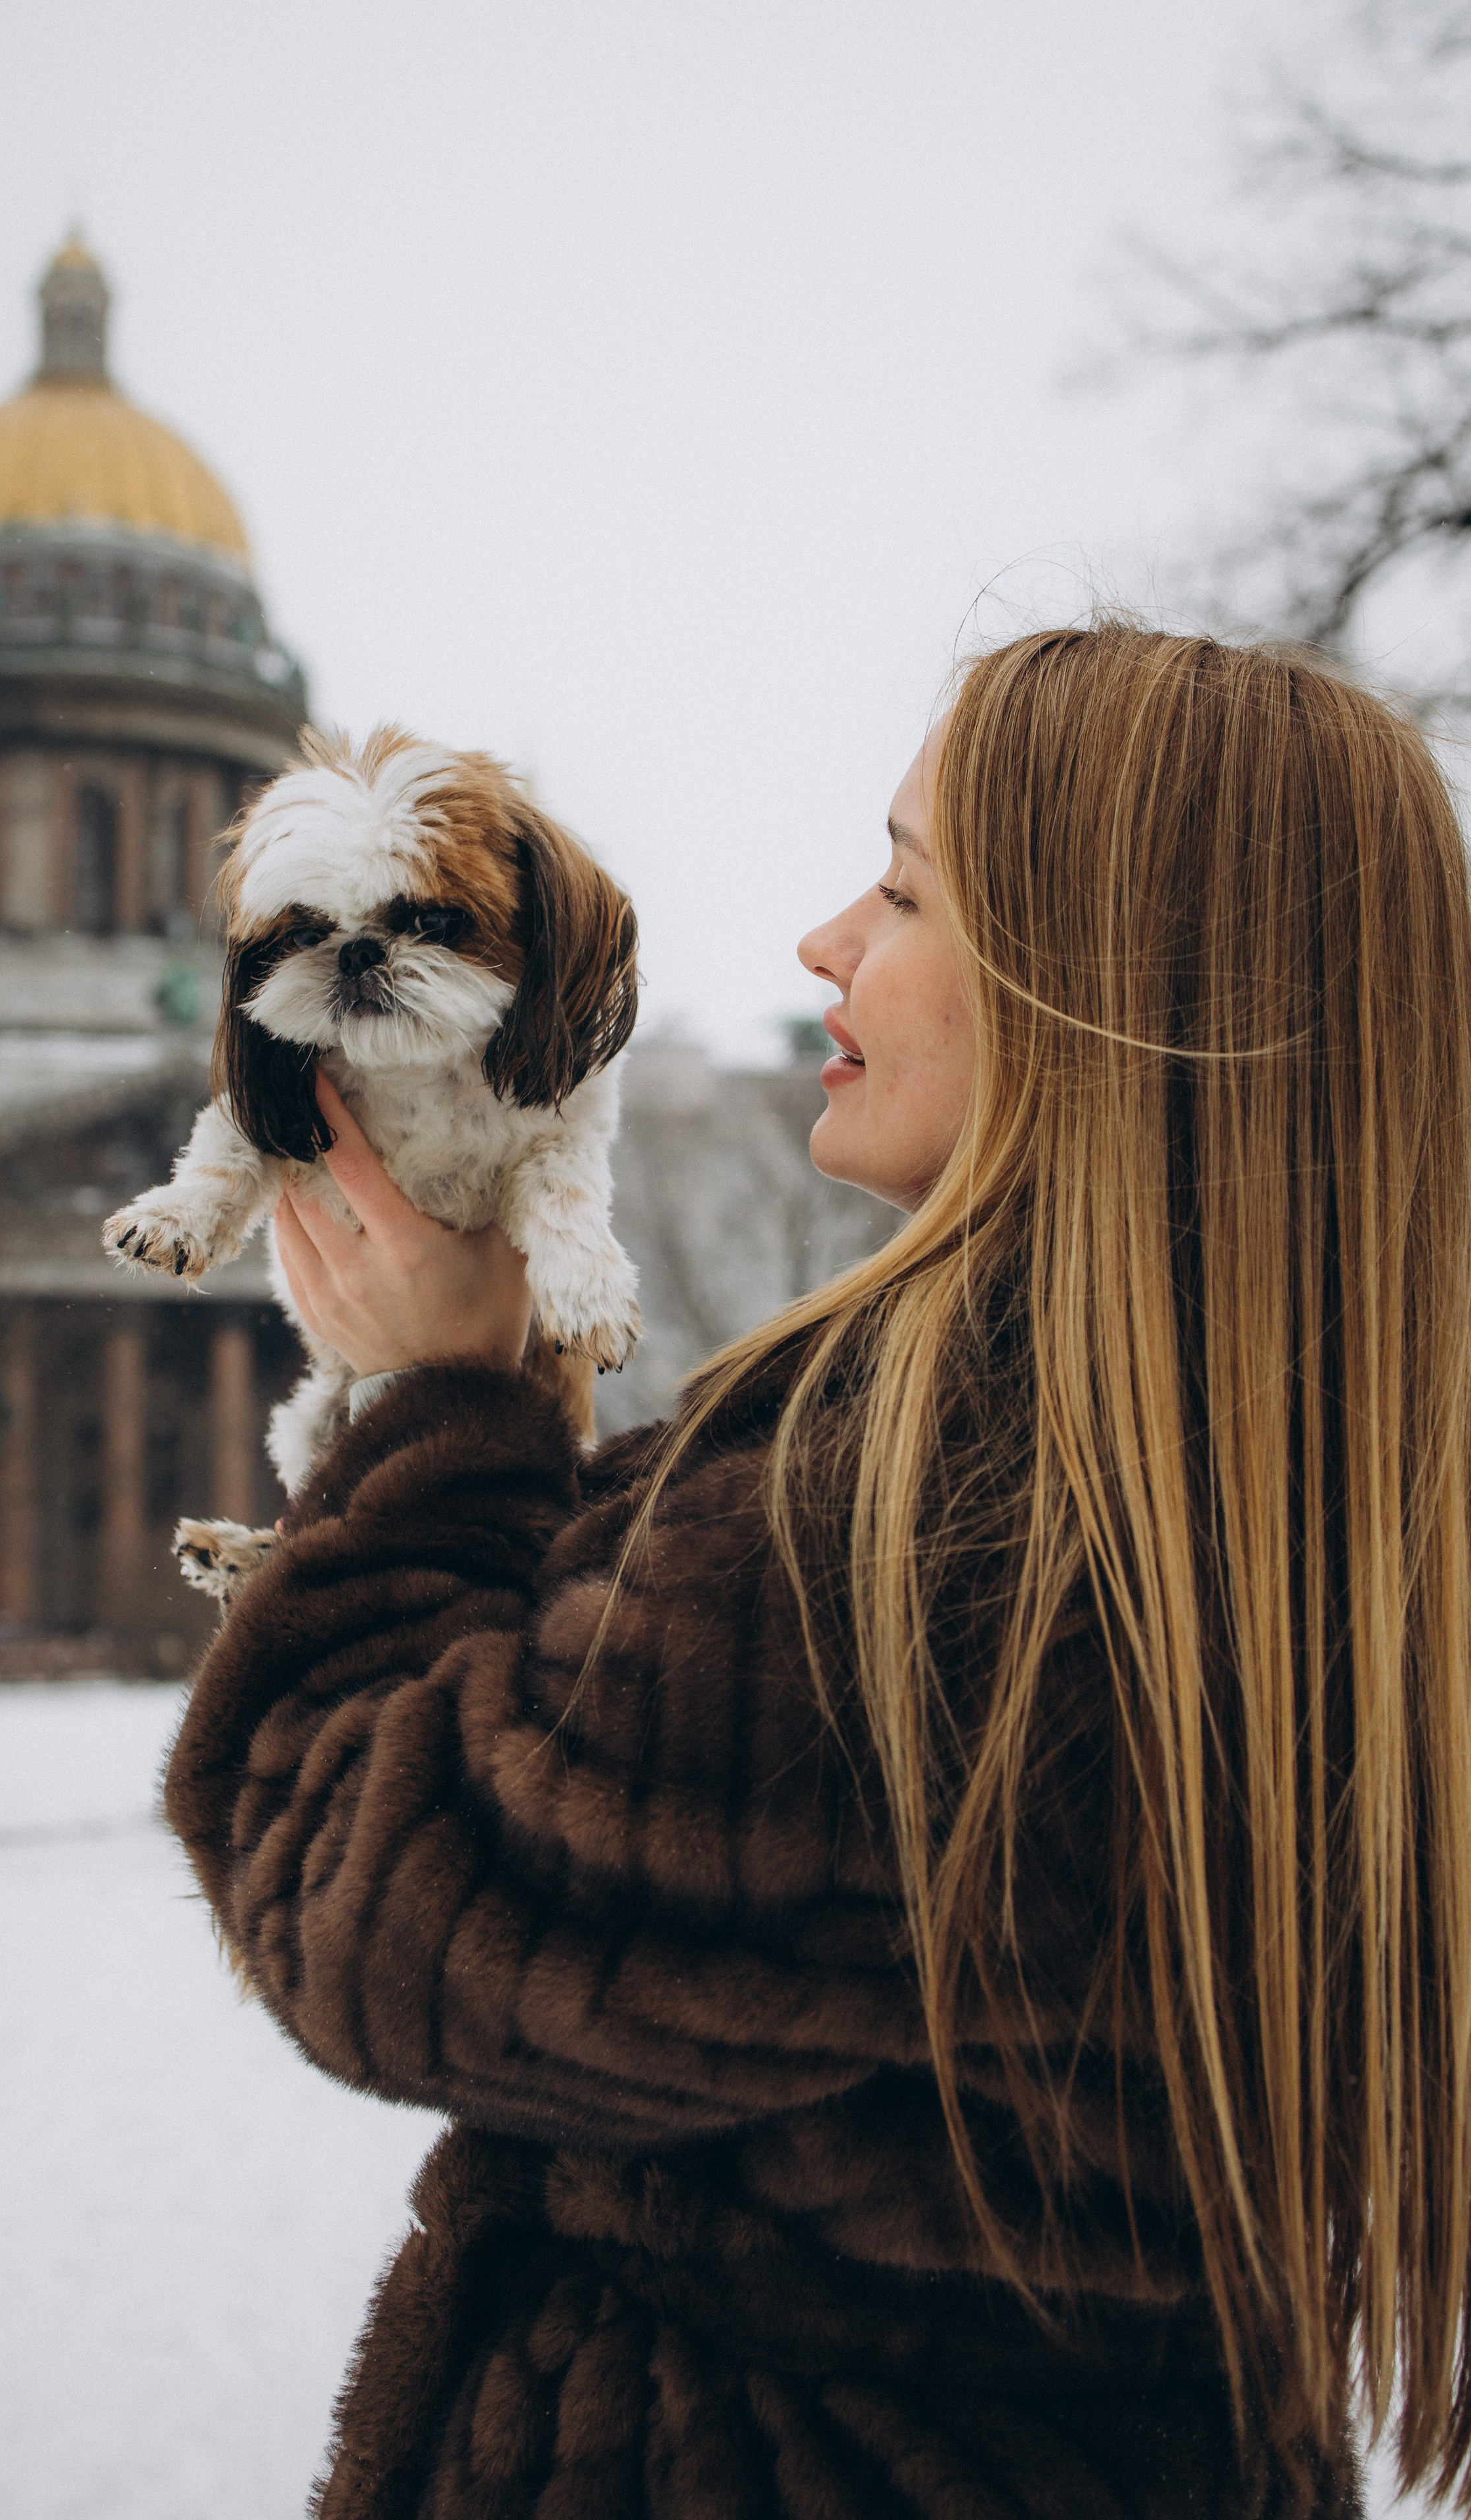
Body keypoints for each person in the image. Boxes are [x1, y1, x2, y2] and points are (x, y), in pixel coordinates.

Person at [164, 622, 1471, 2519]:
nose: (825, 943)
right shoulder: (1289, 1498)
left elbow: (381, 1904)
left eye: (904, 887)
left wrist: (445, 1424)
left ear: (1099, 984)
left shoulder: (923, 1543)